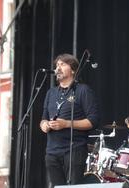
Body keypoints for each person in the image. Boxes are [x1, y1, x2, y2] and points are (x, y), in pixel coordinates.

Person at [39, 53, 99, 187]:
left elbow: (93, 121)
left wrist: (66, 124)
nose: (58, 68)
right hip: (52, 152)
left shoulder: (83, 90)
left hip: (74, 150)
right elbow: (43, 119)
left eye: (62, 64)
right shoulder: (51, 93)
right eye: (56, 65)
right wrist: (45, 125)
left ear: (73, 70)